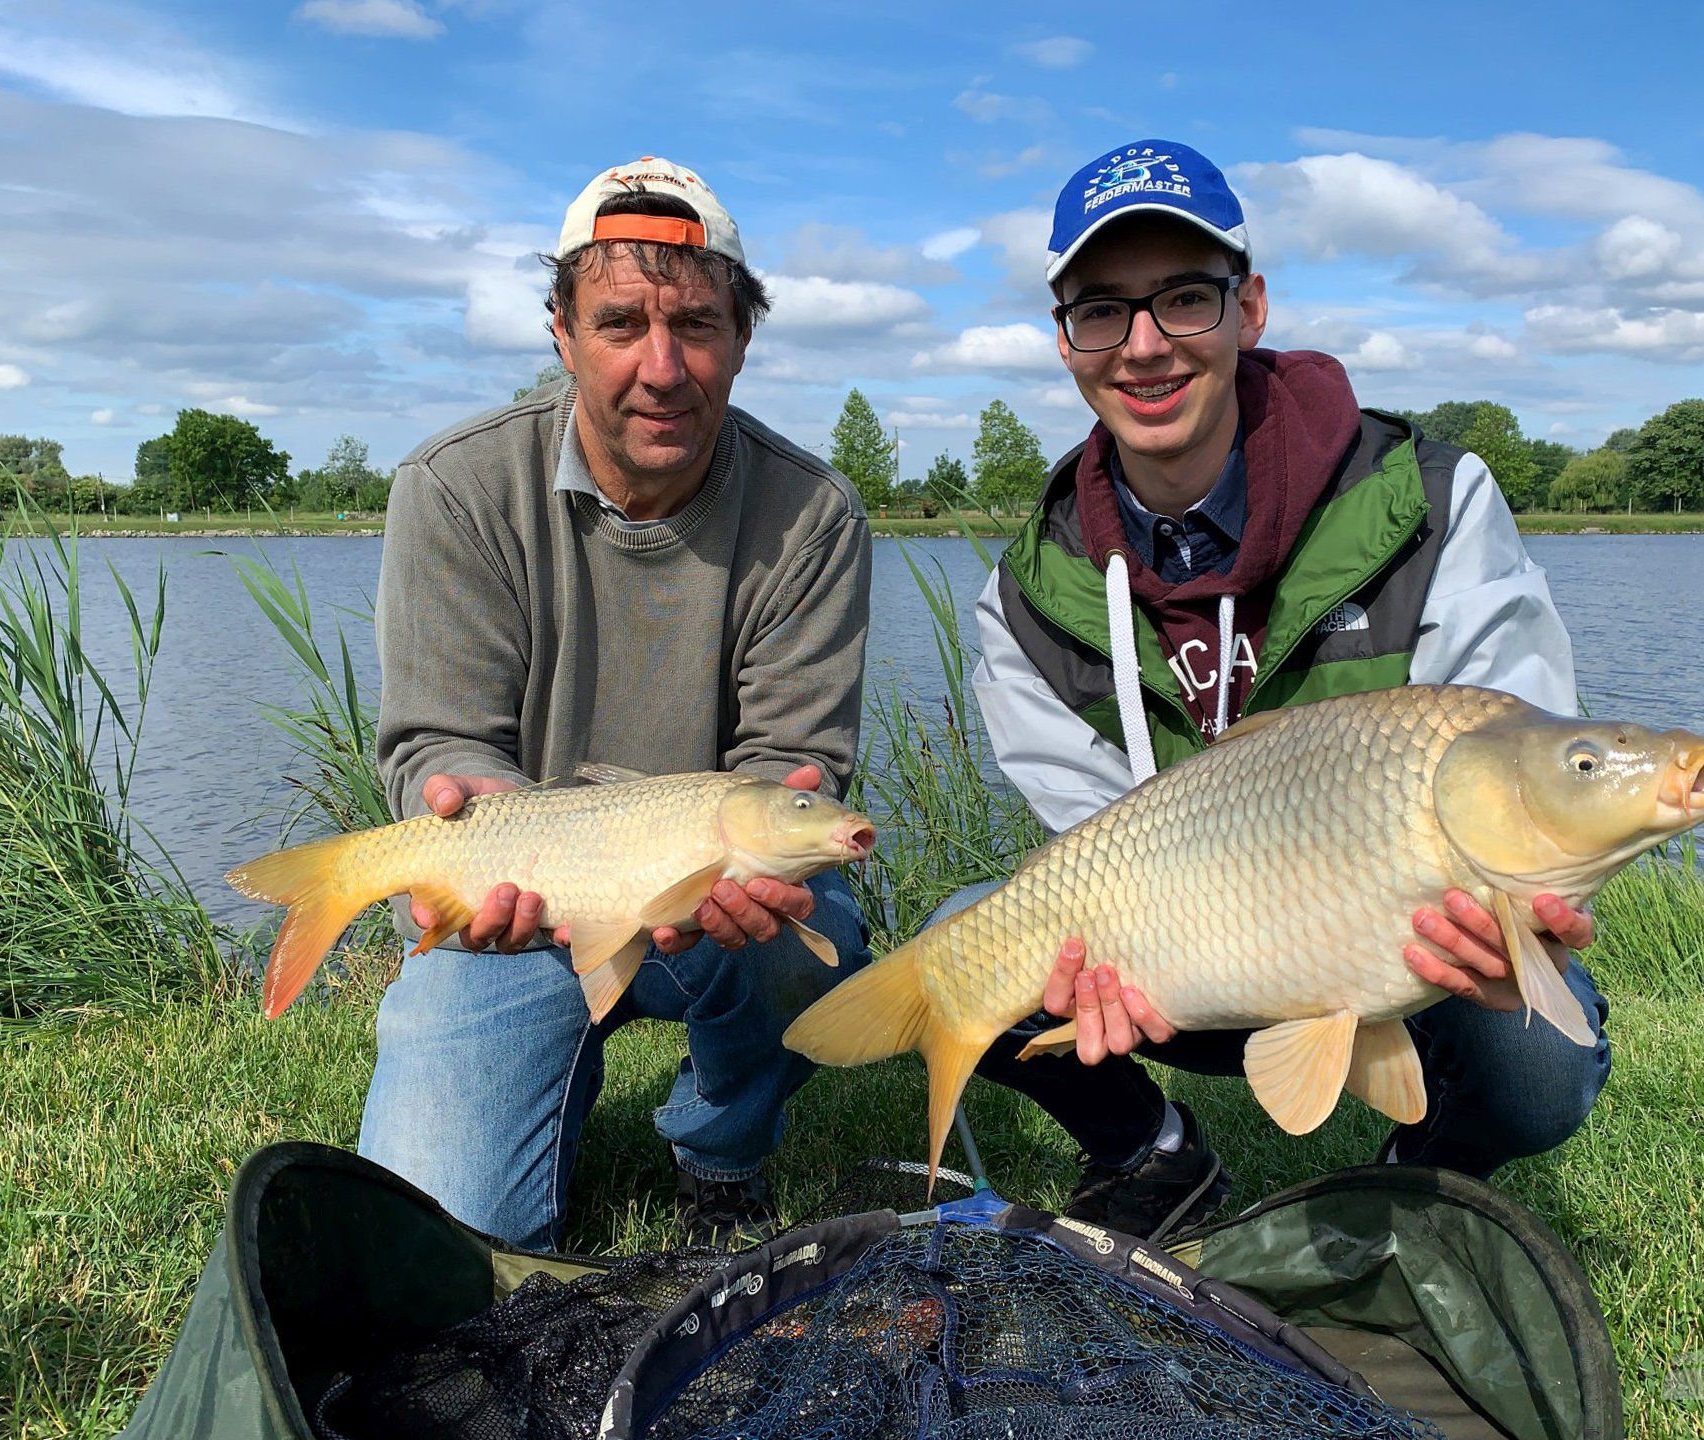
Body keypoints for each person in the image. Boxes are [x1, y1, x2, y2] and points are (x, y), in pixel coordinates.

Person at [947, 139, 1608, 1242]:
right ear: (1065, 344)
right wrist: (1117, 964)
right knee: (969, 942)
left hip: (1412, 939)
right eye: (1103, 312)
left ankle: (1425, 1168)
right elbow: (1094, 841)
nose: (1145, 346)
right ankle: (1149, 1151)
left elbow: (1520, 749)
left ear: (1249, 307)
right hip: (1190, 946)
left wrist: (1512, 922)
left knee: (1540, 1057)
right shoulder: (1024, 595)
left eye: (1185, 299)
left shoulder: (1432, 500)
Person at [359, 157, 874, 1251]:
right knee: (447, 1251)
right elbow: (439, 741)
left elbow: (796, 760)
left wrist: (797, 814)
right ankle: (546, 1072)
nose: (662, 367)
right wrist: (473, 824)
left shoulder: (813, 515)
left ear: (742, 338)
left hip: (718, 908)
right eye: (619, 324)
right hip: (521, 911)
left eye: (695, 324)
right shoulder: (453, 486)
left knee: (808, 929)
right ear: (560, 332)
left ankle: (721, 1148)